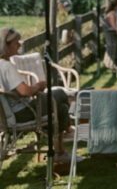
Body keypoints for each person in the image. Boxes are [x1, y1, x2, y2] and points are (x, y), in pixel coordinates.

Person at [0, 27, 70, 159]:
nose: (19, 45)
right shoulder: (5, 66)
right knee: (60, 94)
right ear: (6, 46)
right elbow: (25, 91)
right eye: (16, 42)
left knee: (61, 108)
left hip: (5, 116)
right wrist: (38, 85)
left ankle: (60, 148)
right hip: (22, 113)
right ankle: (60, 146)